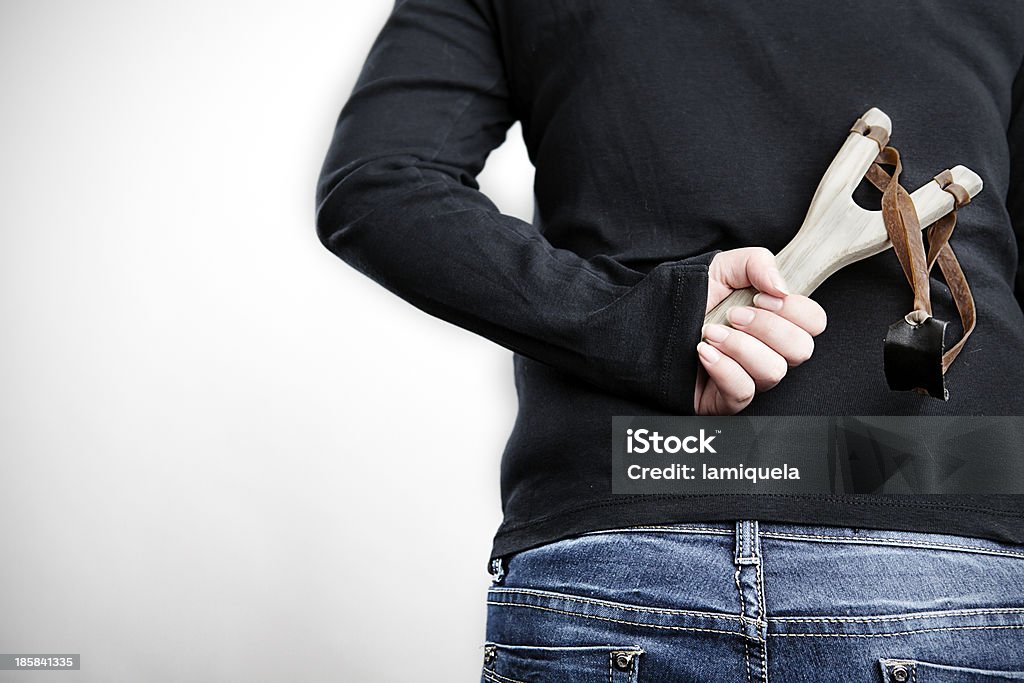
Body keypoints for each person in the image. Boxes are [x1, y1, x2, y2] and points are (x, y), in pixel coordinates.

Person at [316, 0, 1024, 679]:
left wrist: (640, 319)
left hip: (625, 517)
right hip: (935, 523)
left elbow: (378, 183)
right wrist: (662, 323)